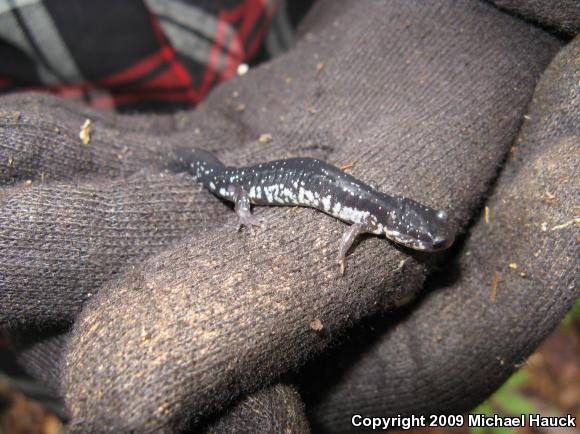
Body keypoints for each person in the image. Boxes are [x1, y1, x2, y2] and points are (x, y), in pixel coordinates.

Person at [0, 0, 577, 432]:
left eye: (426, 237)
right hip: (247, 176)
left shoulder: (373, 215)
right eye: (420, 238)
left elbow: (358, 228)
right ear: (400, 225)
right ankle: (199, 169)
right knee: (225, 184)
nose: (425, 244)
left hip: (273, 44)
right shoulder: (368, 218)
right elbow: (331, 226)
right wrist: (249, 217)